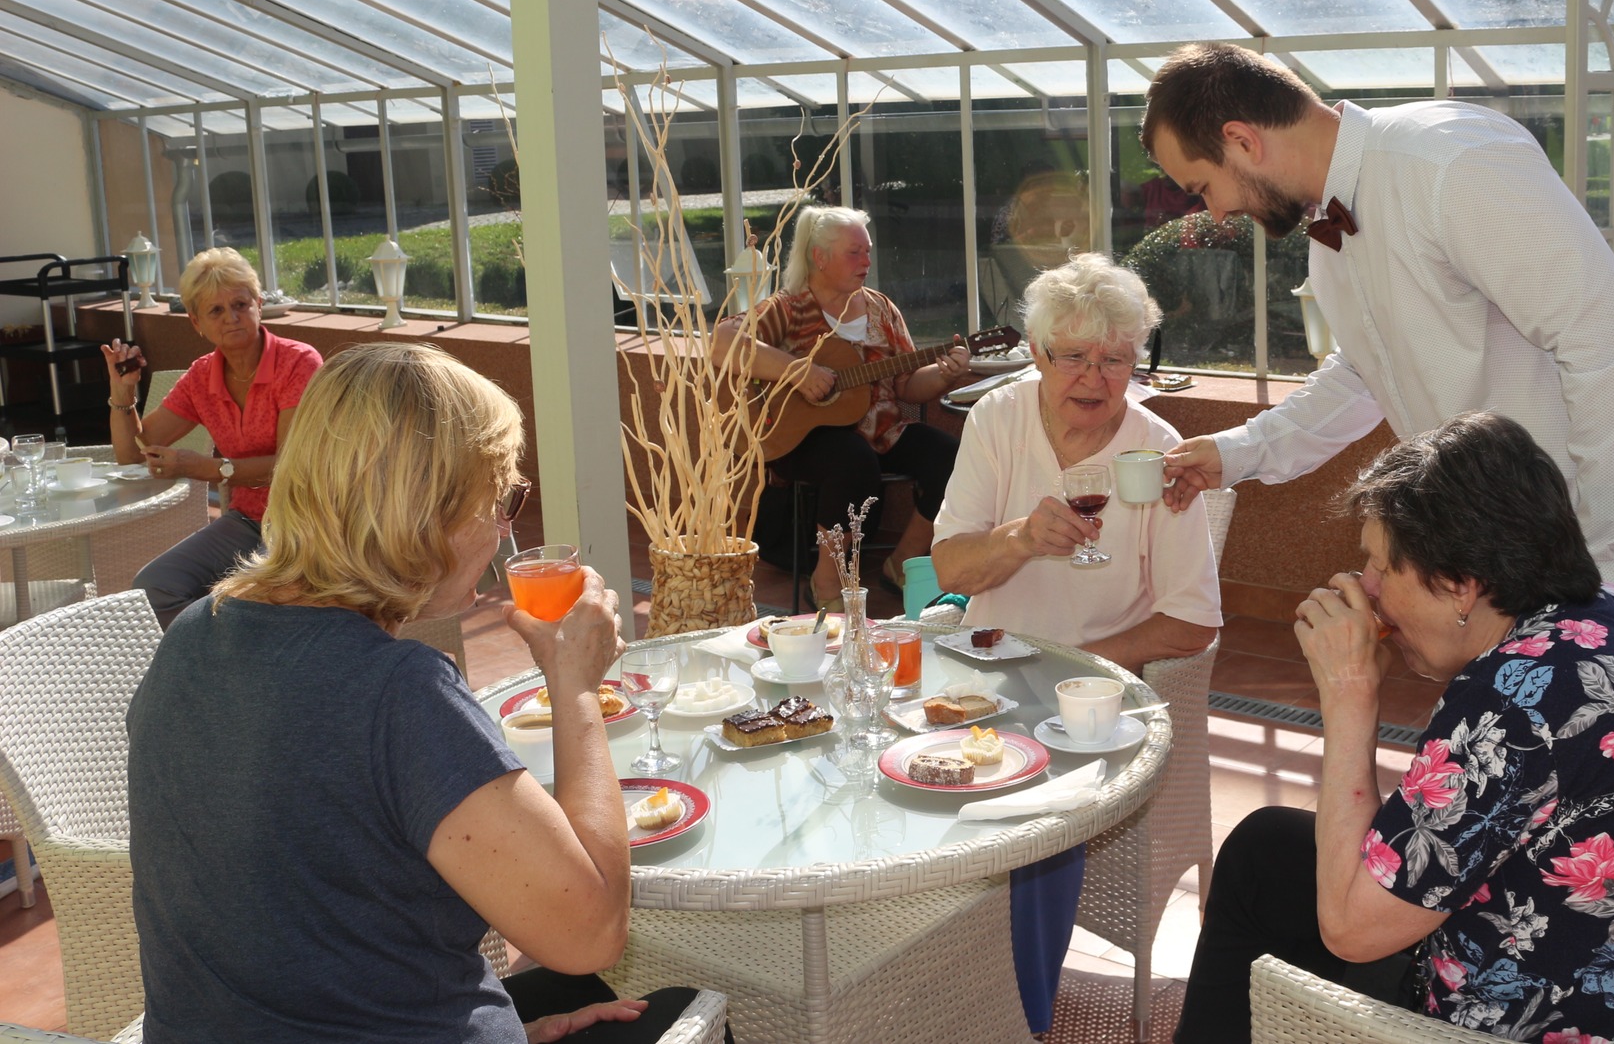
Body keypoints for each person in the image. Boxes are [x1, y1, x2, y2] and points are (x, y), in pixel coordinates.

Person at [128, 342, 721, 1044]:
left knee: (579, 995)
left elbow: (302, 906)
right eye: (502, 501)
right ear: (426, 512)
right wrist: (576, 689)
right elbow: (590, 933)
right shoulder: (396, 690)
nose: (508, 528)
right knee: (682, 1004)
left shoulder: (194, 631)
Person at [1142, 43, 1614, 646]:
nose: (1214, 212)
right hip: (1520, 545)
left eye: (1202, 187)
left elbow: (1605, 343)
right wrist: (1235, 452)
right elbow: (1361, 374)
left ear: (1242, 140)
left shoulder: (1448, 157)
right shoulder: (1330, 237)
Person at [1178, 411, 1614, 1044]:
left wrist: (1348, 695)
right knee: (1266, 850)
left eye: (1381, 567)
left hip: (1552, 1021)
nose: (1366, 587)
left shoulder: (1510, 705)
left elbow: (1351, 931)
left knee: (1276, 882)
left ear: (1459, 586)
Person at [932, 252, 1223, 1036]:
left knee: (1041, 803)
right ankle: (938, 977)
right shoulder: (997, 419)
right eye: (1073, 357)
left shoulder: (1158, 453)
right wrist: (1022, 538)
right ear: (1036, 352)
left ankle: (1027, 1015)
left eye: (1115, 359)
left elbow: (1195, 617)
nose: (1094, 377)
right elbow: (950, 566)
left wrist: (1093, 662)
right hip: (985, 672)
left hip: (1096, 694)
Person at [713, 206, 971, 606]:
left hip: (881, 432)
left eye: (868, 252)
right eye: (854, 253)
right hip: (801, 440)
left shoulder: (881, 309)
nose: (866, 262)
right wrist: (797, 370)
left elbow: (907, 386)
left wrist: (945, 375)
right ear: (820, 257)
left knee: (952, 456)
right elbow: (723, 342)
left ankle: (903, 563)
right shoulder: (790, 308)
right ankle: (827, 581)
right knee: (852, 459)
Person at [101, 247, 321, 628]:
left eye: (240, 304)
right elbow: (132, 453)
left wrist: (208, 468)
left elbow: (291, 467)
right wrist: (123, 393)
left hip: (307, 521)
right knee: (152, 589)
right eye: (216, 311)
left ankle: (238, 651)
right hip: (249, 521)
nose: (231, 318)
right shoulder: (202, 376)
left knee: (254, 599)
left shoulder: (298, 363)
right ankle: (221, 653)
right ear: (196, 322)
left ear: (259, 305)